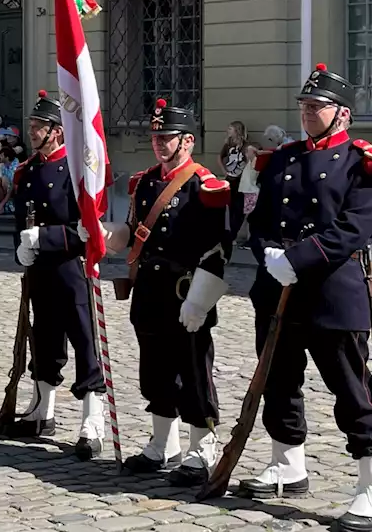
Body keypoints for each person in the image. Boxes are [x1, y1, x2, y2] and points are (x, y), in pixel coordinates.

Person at [238, 65, 372, 531]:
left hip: (332, 292)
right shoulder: (283, 158)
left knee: (351, 389)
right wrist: (268, 251)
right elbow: (256, 217)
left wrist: (301, 256)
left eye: (316, 108)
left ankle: (370, 483)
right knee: (278, 380)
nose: (307, 114)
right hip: (278, 289)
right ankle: (288, 463)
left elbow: (355, 227)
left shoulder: (359, 160)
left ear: (342, 114)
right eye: (303, 106)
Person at [100, 99, 231, 484]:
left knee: (192, 371)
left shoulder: (206, 185)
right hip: (150, 289)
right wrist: (107, 236)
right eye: (156, 136)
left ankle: (201, 448)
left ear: (187, 141)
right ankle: (163, 444)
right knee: (154, 369)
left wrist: (201, 300)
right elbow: (132, 232)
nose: (159, 143)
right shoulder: (144, 182)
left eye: (167, 137)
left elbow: (220, 248)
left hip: (187, 290)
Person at [5, 90, 105, 459]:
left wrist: (44, 238)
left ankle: (92, 421)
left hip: (70, 267)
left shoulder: (77, 172)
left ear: (57, 132)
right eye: (32, 126)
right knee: (44, 338)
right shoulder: (27, 170)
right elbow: (21, 218)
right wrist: (23, 245)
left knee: (83, 341)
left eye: (39, 127)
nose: (32, 132)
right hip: (41, 269)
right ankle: (41, 411)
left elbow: (86, 228)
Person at [221, 121, 249, 237]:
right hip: (230, 179)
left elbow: (249, 161)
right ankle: (228, 234)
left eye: (230, 128)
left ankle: (233, 234)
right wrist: (224, 171)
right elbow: (220, 157)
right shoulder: (228, 145)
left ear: (237, 130)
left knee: (239, 208)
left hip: (241, 180)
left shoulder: (246, 146)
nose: (228, 130)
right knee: (229, 207)